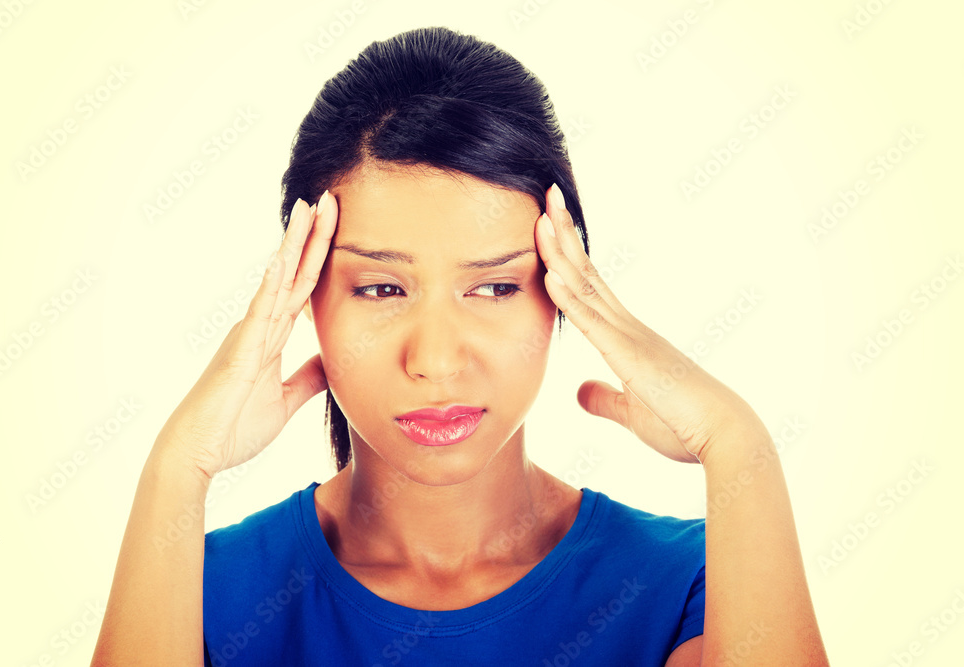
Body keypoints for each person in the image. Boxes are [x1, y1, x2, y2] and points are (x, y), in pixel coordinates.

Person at [91, 26, 828, 666]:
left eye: (495, 287)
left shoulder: (695, 584)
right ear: (303, 294)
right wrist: (178, 468)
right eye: (382, 288)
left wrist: (737, 442)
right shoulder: (198, 593)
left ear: (565, 290)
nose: (437, 361)